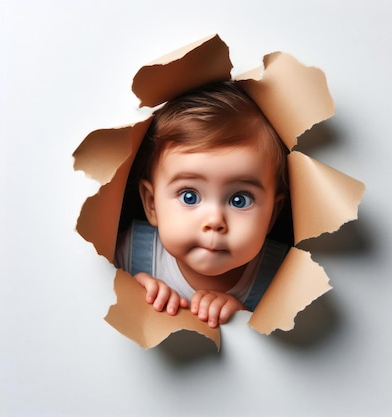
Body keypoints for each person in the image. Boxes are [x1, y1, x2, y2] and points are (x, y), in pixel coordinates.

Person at [115, 81, 290, 328]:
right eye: (190, 196)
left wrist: (245, 319)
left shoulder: (283, 277)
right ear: (152, 204)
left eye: (239, 200)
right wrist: (127, 287)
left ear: (272, 215)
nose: (215, 221)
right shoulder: (129, 252)